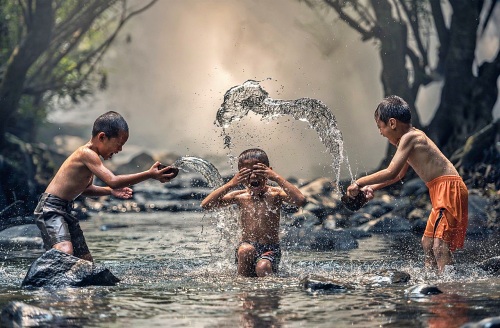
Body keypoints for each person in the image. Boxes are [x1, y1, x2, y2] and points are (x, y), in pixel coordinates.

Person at [346, 95, 468, 274]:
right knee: (427, 243)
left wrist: (358, 182)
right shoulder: (408, 140)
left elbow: (391, 171)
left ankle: (448, 289)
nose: (380, 132)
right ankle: (431, 280)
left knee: (440, 246)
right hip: (440, 190)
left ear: (392, 123)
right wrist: (372, 187)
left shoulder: (410, 137)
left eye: (380, 127)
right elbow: (397, 176)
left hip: (448, 189)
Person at [34, 111, 177, 262]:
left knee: (85, 261)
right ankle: (43, 277)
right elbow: (113, 180)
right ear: (102, 137)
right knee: (65, 250)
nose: (119, 150)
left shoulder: (92, 159)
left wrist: (109, 192)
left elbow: (86, 189)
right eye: (119, 144)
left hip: (65, 209)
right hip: (50, 208)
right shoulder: (86, 153)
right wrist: (149, 174)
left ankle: (62, 276)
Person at [201, 148, 307, 277]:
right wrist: (231, 184)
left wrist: (276, 177)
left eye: (258, 170)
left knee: (263, 268)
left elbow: (300, 200)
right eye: (246, 173)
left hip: (270, 249)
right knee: (246, 250)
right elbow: (206, 205)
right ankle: (242, 290)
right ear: (239, 175)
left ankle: (269, 294)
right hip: (245, 247)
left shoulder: (275, 194)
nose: (253, 176)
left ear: (268, 172)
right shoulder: (239, 196)